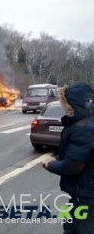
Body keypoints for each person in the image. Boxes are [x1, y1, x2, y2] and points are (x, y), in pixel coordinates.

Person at [42, 83, 94, 234]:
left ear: (75, 104)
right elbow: (80, 152)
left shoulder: (83, 128)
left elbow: (71, 167)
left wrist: (49, 164)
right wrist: (58, 156)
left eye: (64, 103)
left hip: (86, 195)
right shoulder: (85, 123)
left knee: (78, 229)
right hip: (79, 195)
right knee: (69, 225)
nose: (63, 107)